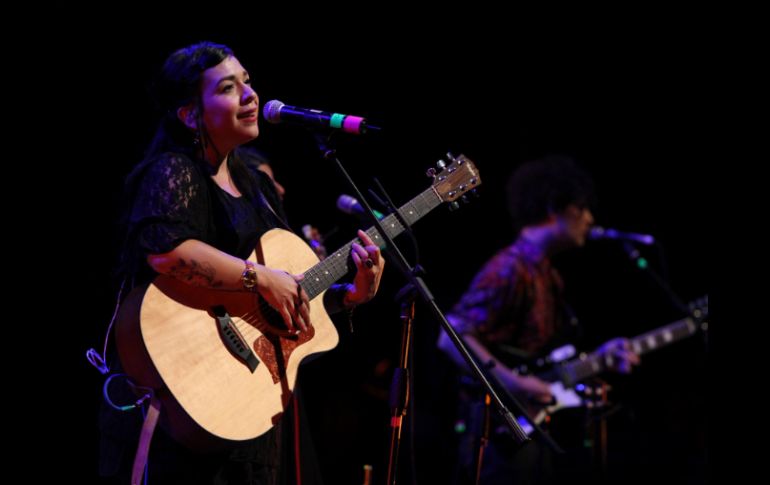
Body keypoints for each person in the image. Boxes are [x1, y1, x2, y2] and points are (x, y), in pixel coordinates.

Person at [99, 41, 384, 485]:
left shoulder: (259, 190)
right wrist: (258, 277)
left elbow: (288, 297)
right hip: (185, 402)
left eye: (247, 83)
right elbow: (167, 252)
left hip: (249, 406)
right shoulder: (175, 172)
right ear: (190, 115)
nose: (250, 95)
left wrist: (352, 295)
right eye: (229, 88)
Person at [437, 156, 639, 485]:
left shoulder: (547, 274)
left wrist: (601, 358)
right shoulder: (510, 268)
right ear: (554, 207)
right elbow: (450, 337)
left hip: (533, 429)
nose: (589, 218)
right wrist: (516, 383)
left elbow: (545, 359)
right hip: (498, 434)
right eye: (582, 207)